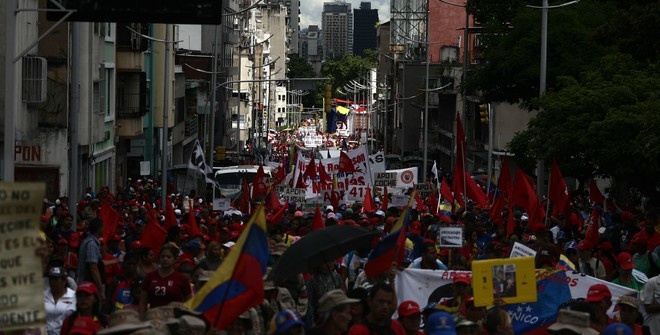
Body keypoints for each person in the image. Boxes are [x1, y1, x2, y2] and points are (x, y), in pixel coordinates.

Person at [138, 244, 192, 319]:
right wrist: (141, 318)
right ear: (159, 259)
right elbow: (143, 302)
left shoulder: (182, 279)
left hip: (174, 320)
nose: (165, 259)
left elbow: (189, 302)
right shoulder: (150, 277)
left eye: (169, 257)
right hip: (153, 319)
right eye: (162, 257)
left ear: (175, 259)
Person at [77, 217, 106, 302]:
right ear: (99, 228)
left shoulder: (89, 241)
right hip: (89, 286)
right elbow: (93, 268)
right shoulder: (91, 244)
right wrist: (100, 289)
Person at [44, 267, 76, 335]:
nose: (52, 282)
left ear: (64, 281)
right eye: (51, 279)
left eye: (56, 279)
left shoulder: (74, 297)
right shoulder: (42, 296)